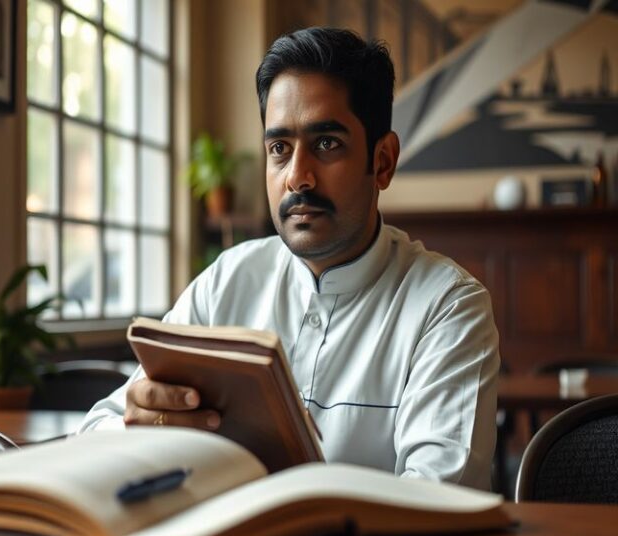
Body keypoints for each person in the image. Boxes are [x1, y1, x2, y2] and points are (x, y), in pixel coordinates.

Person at [79, 27, 499, 490]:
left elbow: (438, 499)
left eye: (326, 144)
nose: (298, 177)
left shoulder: (447, 307)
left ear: (382, 162)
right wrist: (139, 426)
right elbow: (96, 432)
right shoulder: (225, 283)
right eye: (279, 148)